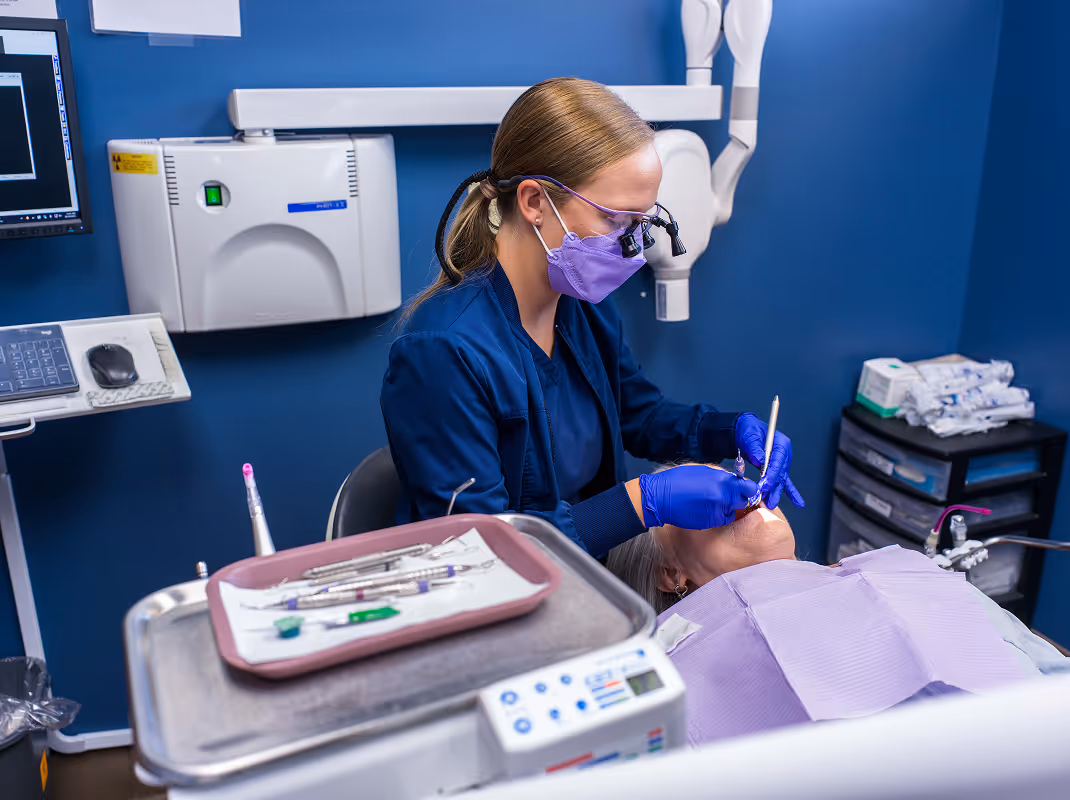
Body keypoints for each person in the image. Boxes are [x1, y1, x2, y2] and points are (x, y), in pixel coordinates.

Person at [380, 77, 804, 558]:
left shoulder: (583, 308)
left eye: (642, 223)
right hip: (502, 595)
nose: (633, 246)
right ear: (535, 202)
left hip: (587, 573)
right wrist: (644, 502)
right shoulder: (443, 351)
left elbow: (639, 415)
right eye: (615, 220)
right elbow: (480, 550)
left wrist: (728, 432)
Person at [606, 465, 1069, 745]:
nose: (732, 487)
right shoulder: (672, 673)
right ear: (670, 574)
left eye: (725, 475)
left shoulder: (890, 573)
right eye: (698, 497)